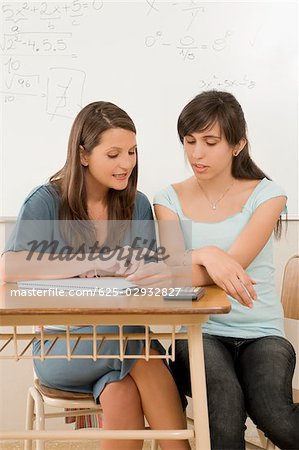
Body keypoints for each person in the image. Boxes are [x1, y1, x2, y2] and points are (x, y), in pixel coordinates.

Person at [1, 101, 190, 450]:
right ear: (84, 155)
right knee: (143, 350)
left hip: (120, 334)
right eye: (114, 154)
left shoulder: (137, 205)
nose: (126, 164)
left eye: (132, 152)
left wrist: (155, 271)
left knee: (122, 392)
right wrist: (95, 262)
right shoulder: (46, 201)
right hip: (61, 347)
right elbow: (10, 267)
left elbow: (145, 286)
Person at [130, 90, 299, 450]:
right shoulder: (168, 198)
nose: (196, 153)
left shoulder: (268, 195)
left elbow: (229, 268)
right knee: (223, 408)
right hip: (198, 331)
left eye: (210, 142)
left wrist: (198, 261)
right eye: (189, 141)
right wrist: (205, 254)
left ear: (238, 145)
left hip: (261, 331)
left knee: (274, 414)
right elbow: (176, 279)